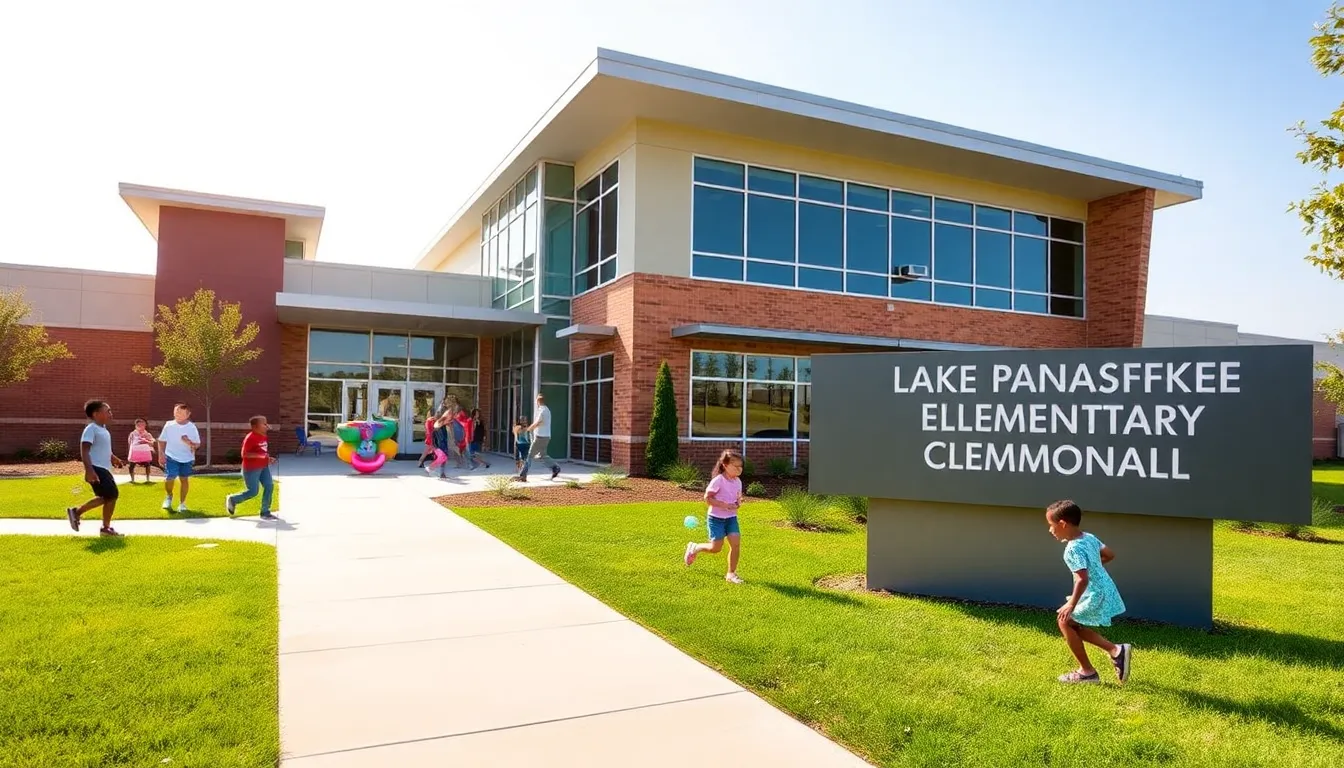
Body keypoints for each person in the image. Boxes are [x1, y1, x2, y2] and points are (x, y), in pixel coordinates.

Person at [1046, 499, 1132, 685]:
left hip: (1095, 593)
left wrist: (1071, 604)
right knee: (1071, 623)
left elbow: (1082, 579)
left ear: (1063, 524)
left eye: (1051, 525)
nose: (1050, 530)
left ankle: (1087, 672)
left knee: (1064, 621)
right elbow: (1109, 554)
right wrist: (1094, 567)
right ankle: (1116, 651)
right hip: (1104, 589)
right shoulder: (1089, 537)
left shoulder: (1072, 549)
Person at [683, 450, 746, 584]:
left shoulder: (738, 481)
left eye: (741, 466)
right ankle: (696, 547)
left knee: (736, 544)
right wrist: (724, 505)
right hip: (716, 519)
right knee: (715, 548)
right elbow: (708, 498)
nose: (739, 469)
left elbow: (737, 498)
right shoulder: (718, 481)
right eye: (735, 466)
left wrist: (737, 503)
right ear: (725, 465)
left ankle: (731, 574)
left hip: (731, 518)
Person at [66, 400, 126, 537]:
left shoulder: (103, 429)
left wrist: (113, 458)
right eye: (107, 411)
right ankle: (102, 526)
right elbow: (85, 450)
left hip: (103, 468)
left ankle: (78, 513)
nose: (111, 414)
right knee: (111, 495)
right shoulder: (91, 429)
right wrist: (89, 470)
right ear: (96, 414)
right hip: (96, 468)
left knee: (108, 496)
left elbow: (103, 449)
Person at [226, 415, 278, 520]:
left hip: (263, 467)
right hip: (251, 469)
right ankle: (233, 500)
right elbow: (244, 454)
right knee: (253, 492)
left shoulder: (263, 436)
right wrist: (261, 456)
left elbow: (262, 452)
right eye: (264, 424)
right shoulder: (250, 438)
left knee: (269, 486)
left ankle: (265, 512)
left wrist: (268, 458)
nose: (267, 426)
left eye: (266, 423)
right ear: (255, 427)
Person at [157, 403, 201, 513]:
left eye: (180, 412)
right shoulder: (169, 425)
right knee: (170, 477)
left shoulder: (192, 427)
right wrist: (161, 454)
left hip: (187, 458)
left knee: (184, 479)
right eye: (176, 411)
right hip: (171, 456)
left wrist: (189, 442)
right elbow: (161, 440)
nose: (177, 414)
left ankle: (182, 504)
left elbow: (197, 444)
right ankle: (169, 496)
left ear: (188, 414)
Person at [518, 392, 559, 482]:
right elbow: (541, 423)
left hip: (540, 437)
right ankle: (555, 467)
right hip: (547, 436)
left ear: (538, 401)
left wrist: (528, 429)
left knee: (529, 455)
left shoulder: (542, 410)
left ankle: (523, 475)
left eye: (536, 401)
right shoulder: (547, 410)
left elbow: (537, 423)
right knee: (542, 455)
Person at [126, 418, 156, 483]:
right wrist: (129, 452)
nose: (141, 427)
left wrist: (149, 444)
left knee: (147, 465)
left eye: (143, 425)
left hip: (145, 452)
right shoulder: (132, 434)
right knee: (131, 466)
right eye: (139, 425)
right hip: (135, 452)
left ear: (145, 426)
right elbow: (129, 443)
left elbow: (152, 441)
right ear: (136, 426)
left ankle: (148, 479)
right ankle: (132, 479)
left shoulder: (147, 434)